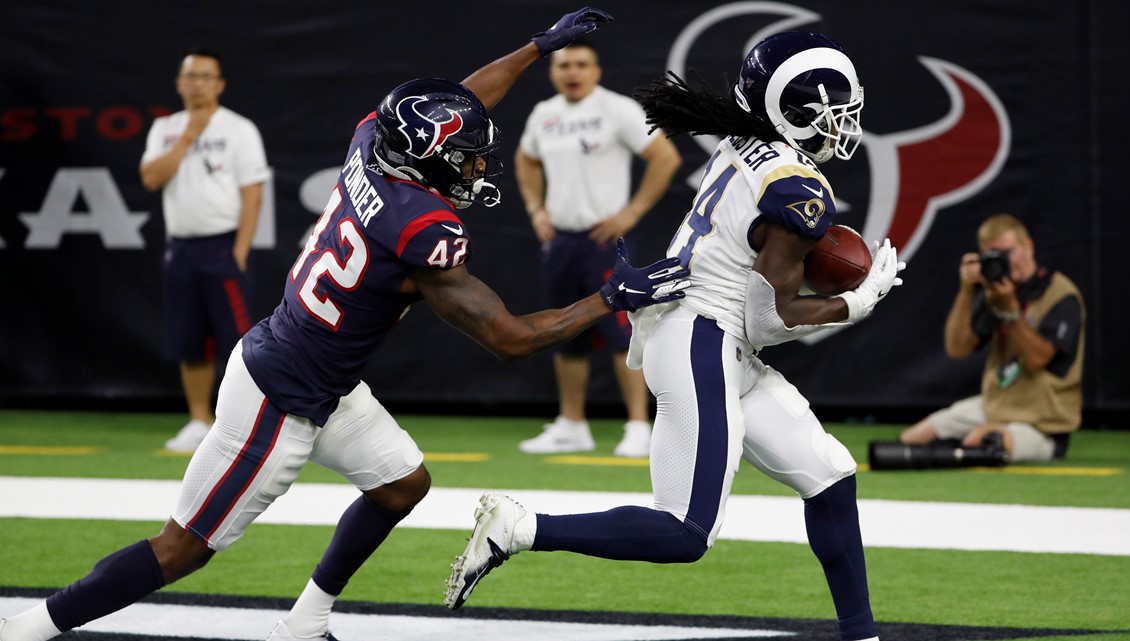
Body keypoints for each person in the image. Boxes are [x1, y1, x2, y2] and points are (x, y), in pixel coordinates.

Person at [0, 9, 690, 641]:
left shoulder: (372, 141)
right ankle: (28, 627)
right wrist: (609, 297)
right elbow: (508, 338)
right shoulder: (423, 227)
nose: (479, 164)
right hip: (283, 395)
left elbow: (459, 100)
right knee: (181, 548)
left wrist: (536, 48)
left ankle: (306, 621)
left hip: (315, 370)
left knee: (401, 484)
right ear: (431, 160)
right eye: (469, 156)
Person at [445, 32, 903, 641]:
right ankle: (520, 526)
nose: (842, 127)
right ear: (786, 115)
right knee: (686, 531)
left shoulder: (751, 139)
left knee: (829, 476)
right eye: (828, 116)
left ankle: (862, 635)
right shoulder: (797, 191)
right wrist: (854, 302)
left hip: (711, 338)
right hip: (703, 340)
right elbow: (770, 318)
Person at [515, 40, 682, 458]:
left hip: (604, 242)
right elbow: (525, 159)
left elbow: (664, 157)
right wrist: (537, 209)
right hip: (561, 242)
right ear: (553, 72)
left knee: (622, 334)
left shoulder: (616, 109)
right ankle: (572, 425)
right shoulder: (544, 115)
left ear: (596, 70)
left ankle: (638, 426)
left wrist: (631, 212)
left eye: (581, 64)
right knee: (562, 329)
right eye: (564, 64)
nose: (572, 71)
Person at [139, 48, 270, 452]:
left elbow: (253, 192)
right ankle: (199, 420)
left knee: (238, 341)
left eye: (205, 76)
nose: (197, 83)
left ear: (219, 84)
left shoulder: (239, 129)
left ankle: (245, 422)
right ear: (179, 82)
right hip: (180, 248)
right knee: (188, 339)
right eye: (190, 75)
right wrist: (188, 137)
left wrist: (240, 251)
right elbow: (150, 178)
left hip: (223, 246)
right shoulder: (165, 128)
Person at [897, 213, 1085, 462]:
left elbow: (1038, 359)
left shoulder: (1060, 294)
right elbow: (957, 349)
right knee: (912, 439)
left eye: (1009, 252)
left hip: (1043, 420)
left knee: (983, 440)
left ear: (1028, 246)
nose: (1004, 262)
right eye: (993, 256)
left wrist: (1011, 312)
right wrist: (967, 290)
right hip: (996, 405)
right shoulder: (994, 293)